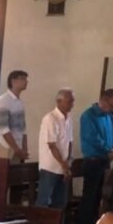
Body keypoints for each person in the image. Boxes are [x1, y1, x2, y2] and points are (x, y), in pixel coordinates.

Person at [78, 89, 113, 224]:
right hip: (93, 160)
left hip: (105, 161)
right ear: (103, 100)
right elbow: (93, 138)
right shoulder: (88, 116)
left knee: (100, 196)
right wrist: (109, 150)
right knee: (90, 195)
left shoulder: (109, 117)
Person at [35, 88, 76, 217]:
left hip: (63, 167)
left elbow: (69, 141)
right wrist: (64, 165)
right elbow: (52, 145)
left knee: (60, 203)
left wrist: (68, 162)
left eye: (73, 101)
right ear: (59, 101)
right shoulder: (50, 118)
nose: (72, 104)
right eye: (69, 101)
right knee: (44, 201)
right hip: (50, 167)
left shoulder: (69, 118)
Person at [0, 69, 28, 162]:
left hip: (17, 146)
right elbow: (3, 129)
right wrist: (16, 149)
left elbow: (22, 127)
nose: (26, 81)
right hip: (4, 146)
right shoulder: (3, 101)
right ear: (13, 81)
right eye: (23, 79)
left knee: (15, 171)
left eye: (26, 79)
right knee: (2, 171)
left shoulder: (19, 102)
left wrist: (24, 147)